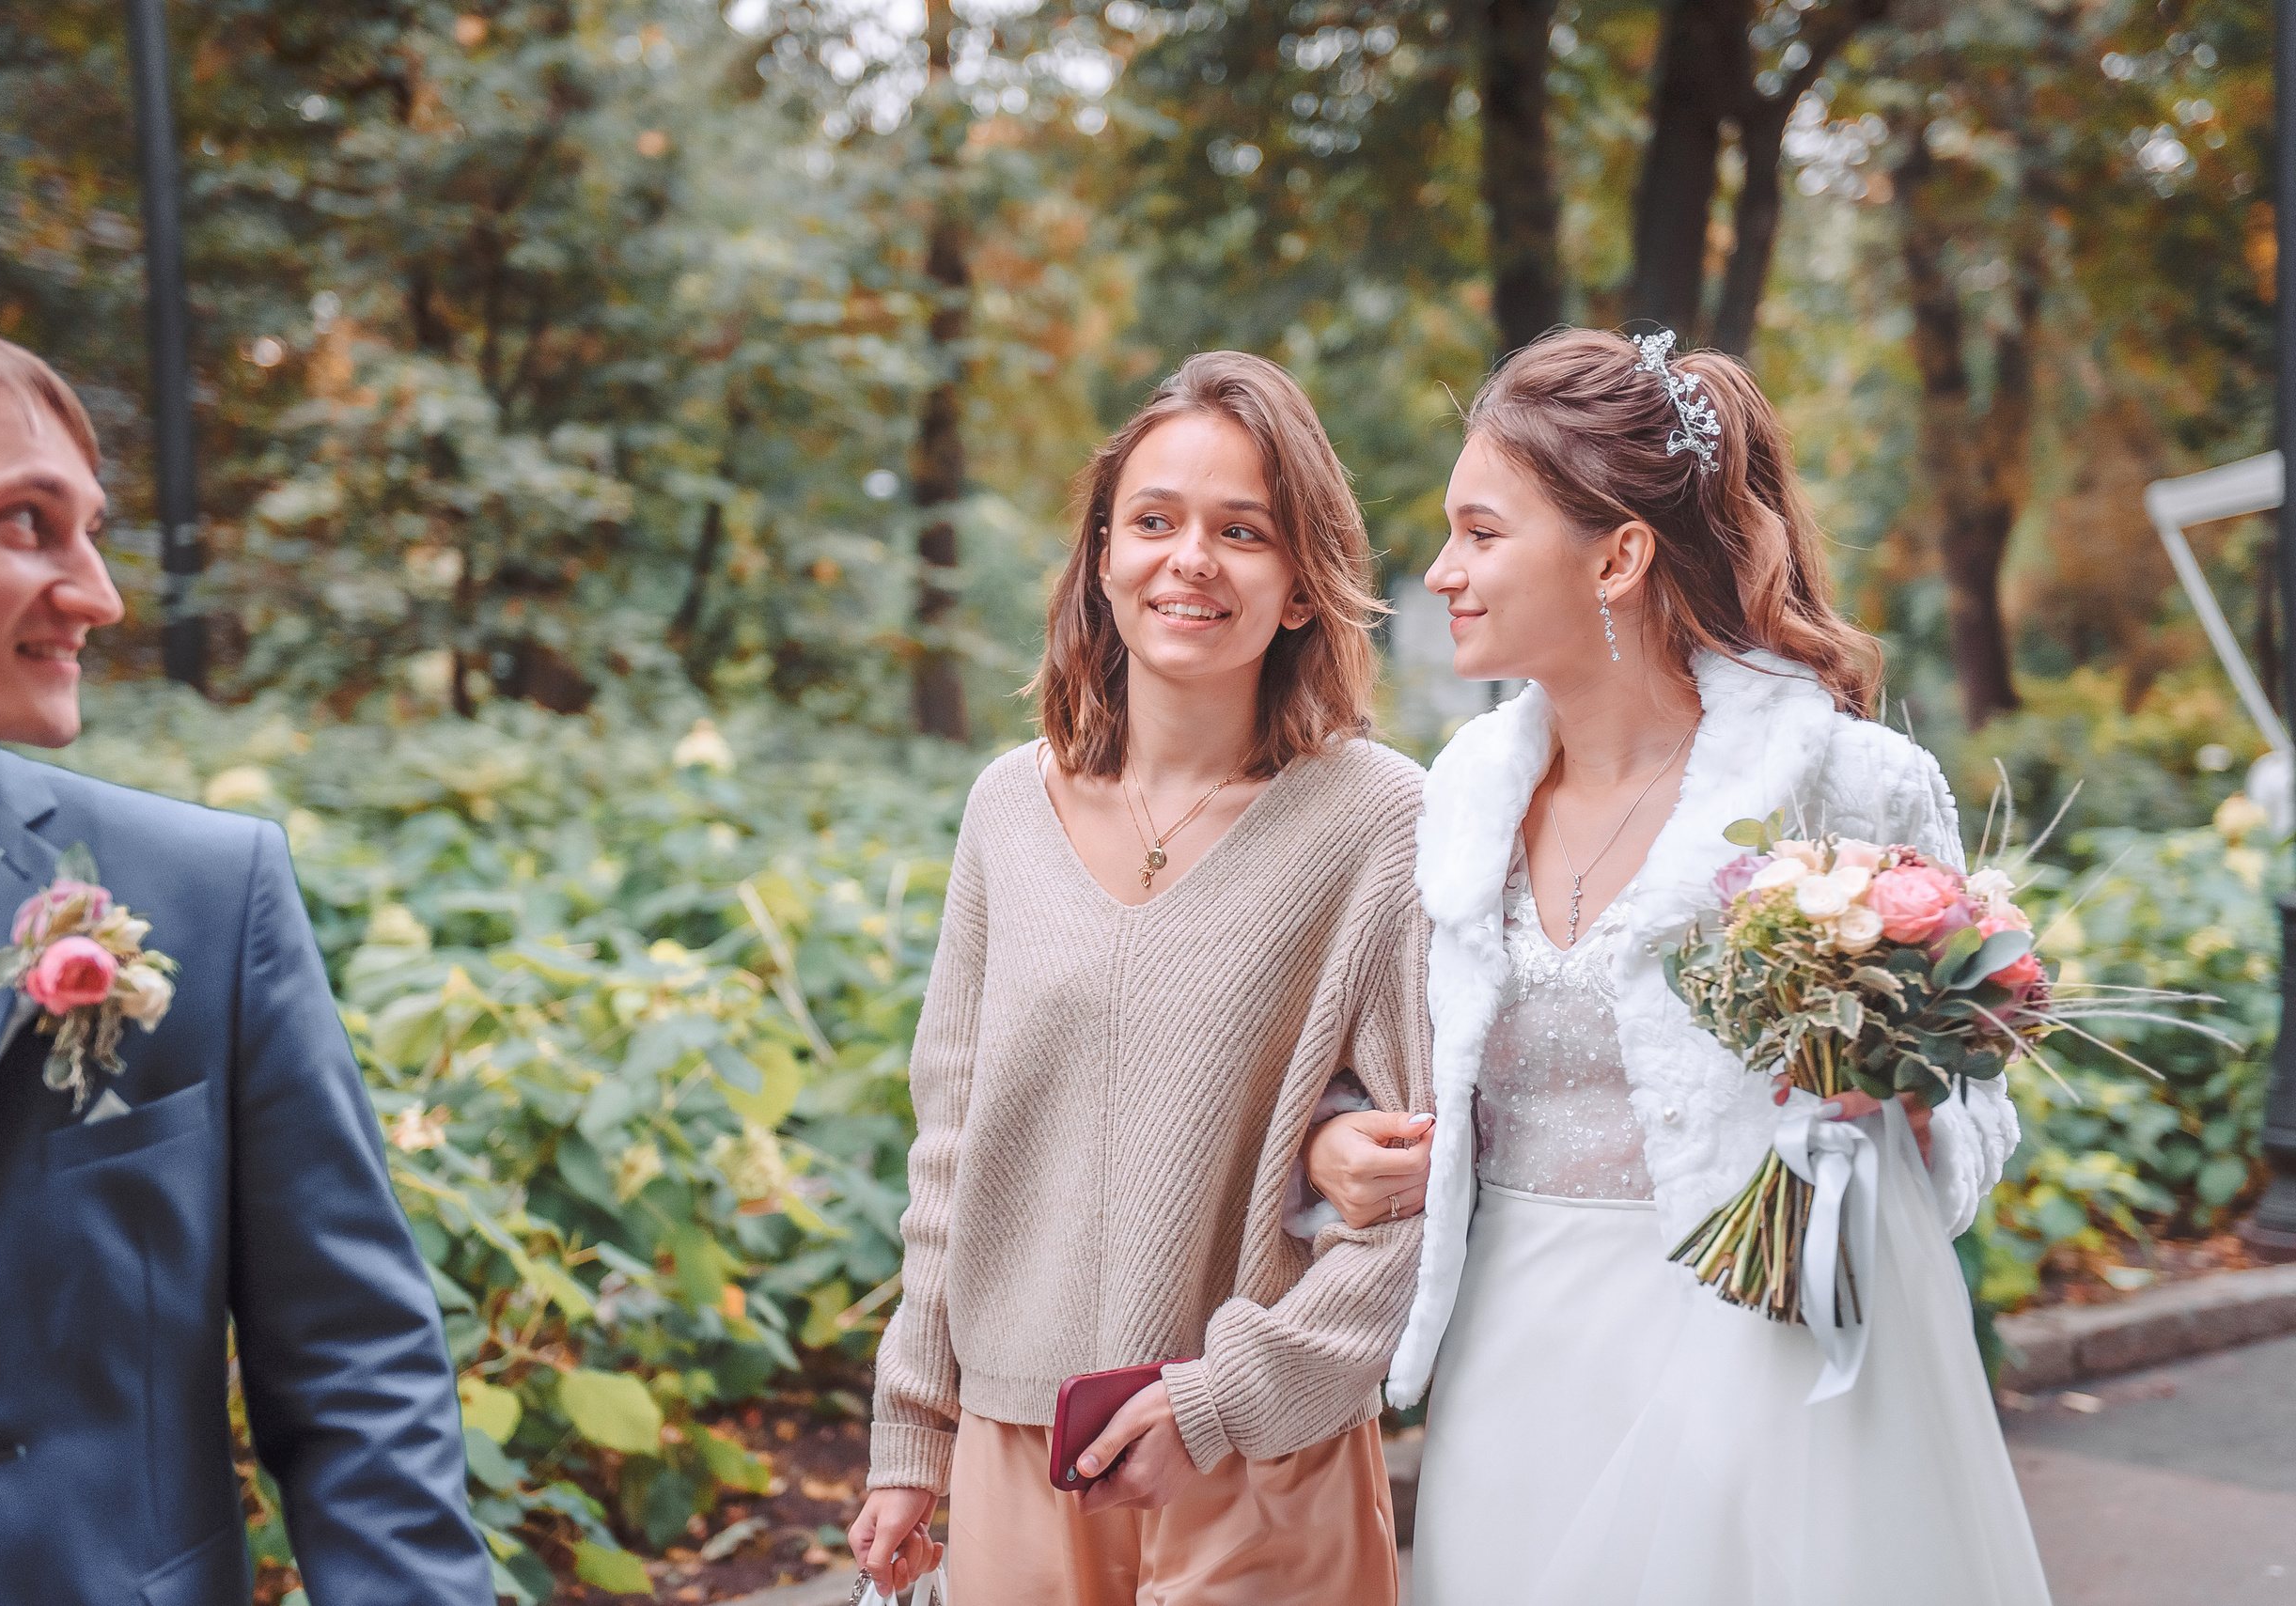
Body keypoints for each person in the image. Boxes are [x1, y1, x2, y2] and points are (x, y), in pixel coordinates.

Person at [1303, 328, 2051, 1604]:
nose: (1439, 571)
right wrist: (1331, 1148)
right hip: (1513, 1364)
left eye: (1482, 534)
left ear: (1621, 554)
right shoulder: (1458, 802)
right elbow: (1367, 1067)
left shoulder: (1844, 783)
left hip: (1758, 1358)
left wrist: (1890, 1120)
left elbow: (1978, 1100)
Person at [0, 308, 489, 1604]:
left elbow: (353, 1364)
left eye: (91, 531)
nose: (99, 594)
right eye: (26, 523)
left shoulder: (199, 897)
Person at [847, 351, 1430, 1603]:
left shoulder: (1380, 825)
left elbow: (1423, 1191)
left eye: (1243, 530)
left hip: (1258, 1460)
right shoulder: (1008, 806)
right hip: (1020, 1450)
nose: (1191, 561)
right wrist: (914, 1426)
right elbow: (953, 1141)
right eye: (1154, 520)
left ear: (1297, 586)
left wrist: (1230, 1398)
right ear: (1102, 556)